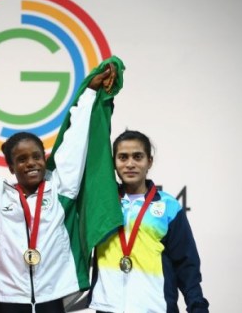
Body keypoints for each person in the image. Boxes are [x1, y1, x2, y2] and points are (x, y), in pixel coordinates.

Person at [0, 58, 125, 313]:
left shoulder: (61, 187)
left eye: (37, 157)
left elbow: (76, 139)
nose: (31, 164)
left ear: (44, 159)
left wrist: (90, 92)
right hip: (6, 298)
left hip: (53, 294)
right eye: (22, 159)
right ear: (11, 167)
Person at [88, 130, 210, 312]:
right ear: (113, 163)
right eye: (123, 157)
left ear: (149, 162)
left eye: (138, 157)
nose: (130, 164)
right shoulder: (102, 203)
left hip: (155, 307)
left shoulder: (168, 206)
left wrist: (197, 305)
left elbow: (186, 263)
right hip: (107, 307)